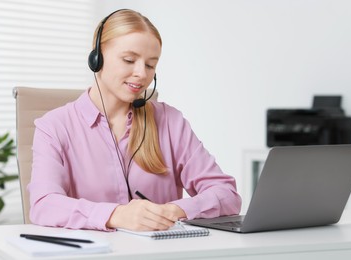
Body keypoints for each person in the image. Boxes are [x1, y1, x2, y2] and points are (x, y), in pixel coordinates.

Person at [28, 9, 241, 232]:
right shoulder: (54, 127)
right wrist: (115, 215)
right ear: (97, 58)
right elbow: (44, 204)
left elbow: (226, 193)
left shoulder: (169, 121)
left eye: (150, 65)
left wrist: (173, 211)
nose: (141, 73)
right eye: (129, 60)